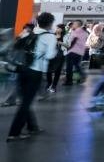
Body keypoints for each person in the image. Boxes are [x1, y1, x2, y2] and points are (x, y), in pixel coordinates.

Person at [7, 13, 56, 142]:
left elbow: (16, 45)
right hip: (35, 72)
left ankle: (32, 126)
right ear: (50, 23)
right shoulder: (50, 37)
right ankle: (14, 133)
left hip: (21, 69)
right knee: (26, 103)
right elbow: (50, 55)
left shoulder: (29, 32)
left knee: (25, 100)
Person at [63, 20, 89, 86]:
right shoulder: (84, 33)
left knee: (69, 67)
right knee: (77, 65)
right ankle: (83, 75)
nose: (73, 25)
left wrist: (68, 48)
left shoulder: (75, 32)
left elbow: (72, 42)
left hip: (73, 51)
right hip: (80, 52)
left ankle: (69, 81)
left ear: (77, 24)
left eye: (74, 24)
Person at [44, 25, 66, 95]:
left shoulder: (64, 37)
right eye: (57, 28)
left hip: (60, 55)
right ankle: (49, 83)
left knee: (58, 71)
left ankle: (54, 86)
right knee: (48, 70)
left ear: (62, 29)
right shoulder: (52, 36)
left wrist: (60, 43)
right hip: (51, 55)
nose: (57, 29)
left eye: (59, 28)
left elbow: (68, 45)